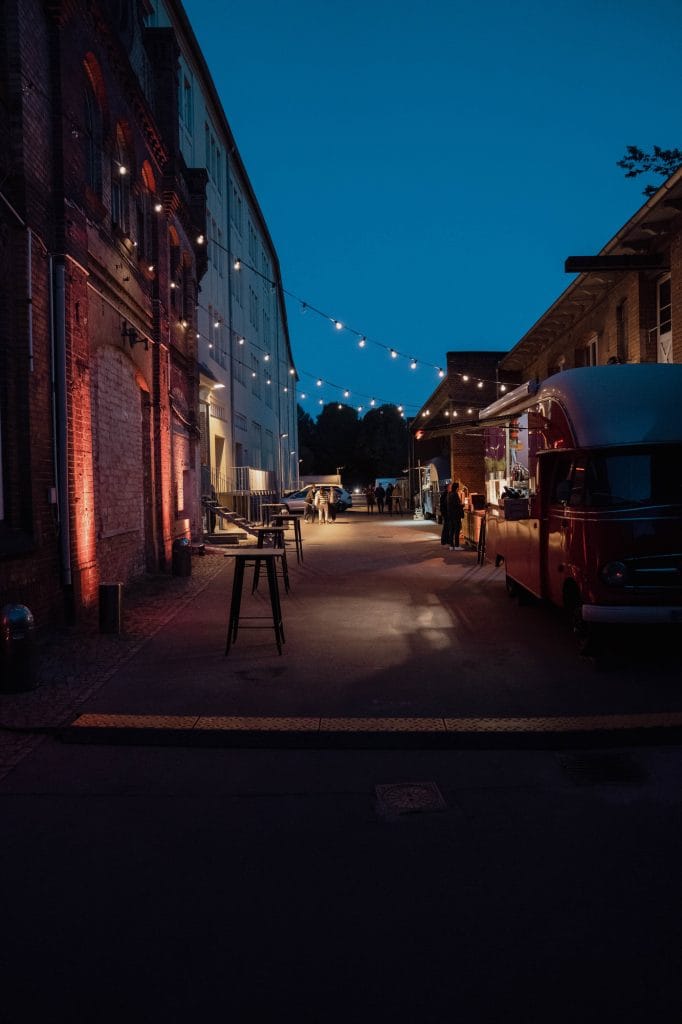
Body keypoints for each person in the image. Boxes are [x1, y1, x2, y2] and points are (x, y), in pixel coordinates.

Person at [447, 480, 465, 550]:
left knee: (452, 530)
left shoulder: (449, 494)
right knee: (457, 530)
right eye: (458, 487)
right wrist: (462, 505)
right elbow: (456, 505)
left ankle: (451, 545)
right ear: (457, 488)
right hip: (456, 515)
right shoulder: (455, 494)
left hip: (451, 515)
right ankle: (457, 546)